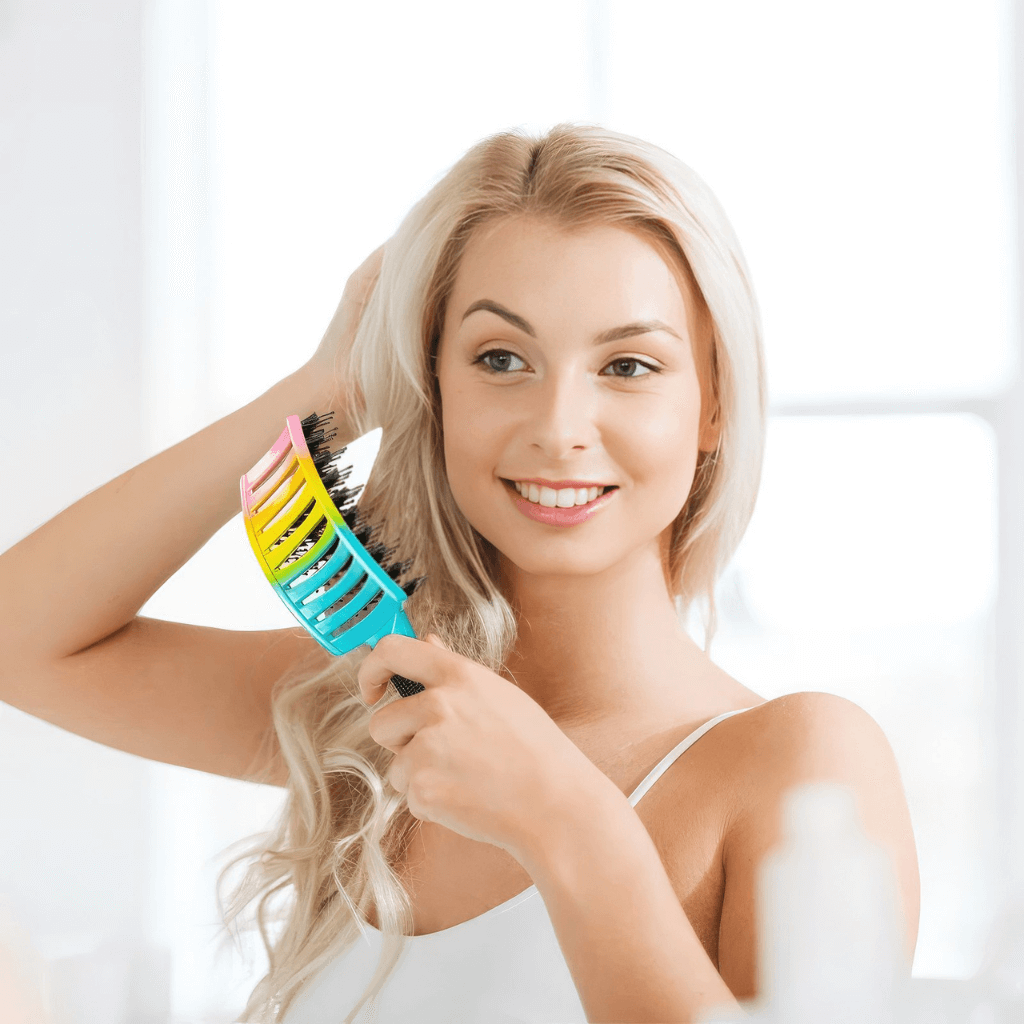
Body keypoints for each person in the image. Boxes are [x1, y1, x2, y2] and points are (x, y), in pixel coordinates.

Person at [0, 123, 920, 1023]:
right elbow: (20, 639)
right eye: (500, 359)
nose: (559, 425)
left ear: (713, 403)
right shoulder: (376, 711)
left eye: (629, 365)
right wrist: (323, 389)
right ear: (434, 389)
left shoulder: (803, 767)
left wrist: (570, 823)